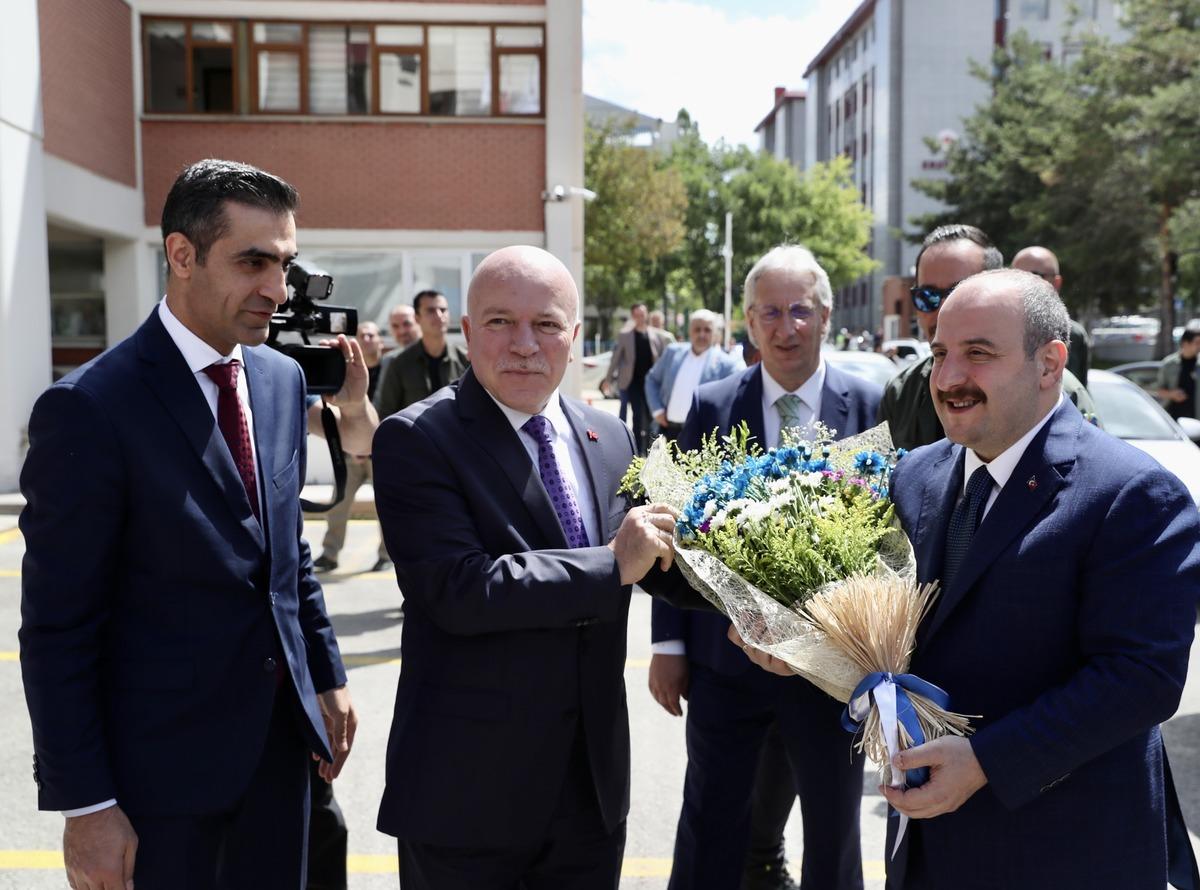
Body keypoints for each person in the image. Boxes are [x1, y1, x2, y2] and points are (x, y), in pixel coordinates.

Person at [18, 158, 356, 890]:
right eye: (254, 261)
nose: (277, 288)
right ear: (181, 255)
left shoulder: (279, 379)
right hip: (158, 796)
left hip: (280, 763)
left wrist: (324, 673)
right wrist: (88, 805)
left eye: (286, 263)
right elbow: (57, 628)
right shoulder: (90, 409)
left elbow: (283, 550)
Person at [372, 245, 707, 890]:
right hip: (468, 802)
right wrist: (612, 564)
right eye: (500, 322)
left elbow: (652, 559)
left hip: (589, 794)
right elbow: (458, 588)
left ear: (576, 337)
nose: (525, 344)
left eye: (547, 324)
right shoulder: (417, 439)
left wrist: (760, 598)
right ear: (467, 333)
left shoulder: (609, 436)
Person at [879, 269, 1200, 888]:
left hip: (1064, 852)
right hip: (930, 851)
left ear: (1050, 363)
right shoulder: (914, 474)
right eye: (940, 354)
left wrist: (985, 762)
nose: (948, 379)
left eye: (979, 354)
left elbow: (1141, 680)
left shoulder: (1132, 492)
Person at [651, 245, 880, 890]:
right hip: (726, 664)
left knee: (834, 829)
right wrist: (668, 644)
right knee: (710, 818)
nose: (787, 328)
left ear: (827, 316)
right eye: (770, 313)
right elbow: (674, 529)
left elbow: (895, 533)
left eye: (800, 311)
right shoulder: (711, 406)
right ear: (749, 322)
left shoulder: (869, 403)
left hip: (833, 669)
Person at [879, 225, 1095, 451]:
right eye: (927, 296)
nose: (944, 309)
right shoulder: (901, 392)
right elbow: (871, 479)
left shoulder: (1061, 390)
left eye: (961, 293)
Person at [314, 321, 391, 568]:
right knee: (338, 503)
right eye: (362, 335)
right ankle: (330, 553)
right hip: (352, 454)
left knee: (388, 508)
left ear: (380, 341)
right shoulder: (345, 372)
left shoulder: (391, 368)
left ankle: (386, 555)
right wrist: (356, 443)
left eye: (372, 334)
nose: (367, 338)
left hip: (383, 454)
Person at [645, 309, 744, 441]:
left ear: (714, 333)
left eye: (707, 330)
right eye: (697, 329)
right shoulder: (673, 353)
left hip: (703, 436)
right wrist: (657, 410)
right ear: (690, 331)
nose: (701, 334)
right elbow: (652, 379)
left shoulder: (727, 365)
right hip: (668, 431)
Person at [374, 289, 470, 419]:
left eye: (443, 310)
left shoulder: (466, 360)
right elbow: (386, 413)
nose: (439, 315)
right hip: (415, 437)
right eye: (431, 311)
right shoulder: (400, 363)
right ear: (417, 318)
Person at [1011, 245, 1091, 387]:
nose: (1025, 284)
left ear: (1056, 283)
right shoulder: (995, 330)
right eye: (1016, 276)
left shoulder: (1075, 335)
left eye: (1035, 276)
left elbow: (1079, 393)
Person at [605, 303, 672, 454]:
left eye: (642, 314)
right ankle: (636, 450)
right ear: (633, 317)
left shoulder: (656, 335)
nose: (640, 318)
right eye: (636, 315)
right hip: (633, 382)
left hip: (650, 384)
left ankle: (649, 450)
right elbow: (615, 359)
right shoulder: (625, 336)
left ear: (646, 315)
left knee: (650, 417)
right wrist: (608, 379)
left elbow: (662, 360)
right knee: (637, 415)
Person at [1155, 328, 1200, 420]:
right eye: (1197, 342)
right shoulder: (1169, 364)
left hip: (1196, 420)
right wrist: (1172, 394)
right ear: (1185, 343)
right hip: (1173, 420)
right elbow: (1159, 391)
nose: (1199, 346)